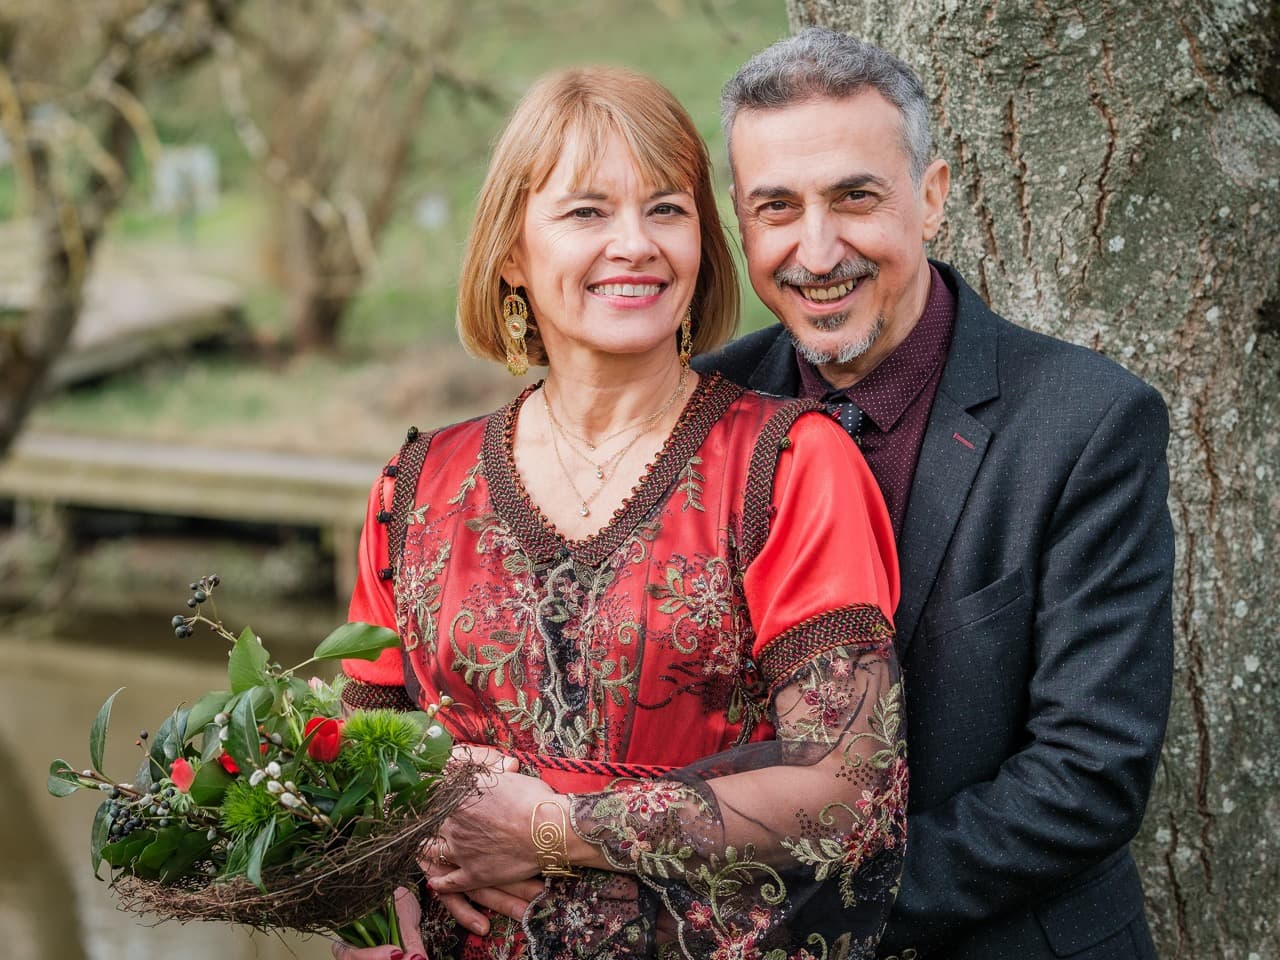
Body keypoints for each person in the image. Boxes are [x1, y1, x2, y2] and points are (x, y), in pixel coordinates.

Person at [334, 66, 906, 960]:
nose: (634, 243)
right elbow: (348, 752)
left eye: (667, 209)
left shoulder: (788, 465)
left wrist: (551, 826)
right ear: (512, 252)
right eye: (586, 212)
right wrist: (376, 891)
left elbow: (848, 793)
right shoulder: (413, 490)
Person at [695, 27, 1175, 960]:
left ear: (934, 196)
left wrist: (809, 915)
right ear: (741, 223)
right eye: (777, 207)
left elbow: (1089, 775)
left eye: (856, 196)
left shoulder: (1087, 423)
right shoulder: (710, 411)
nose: (817, 248)